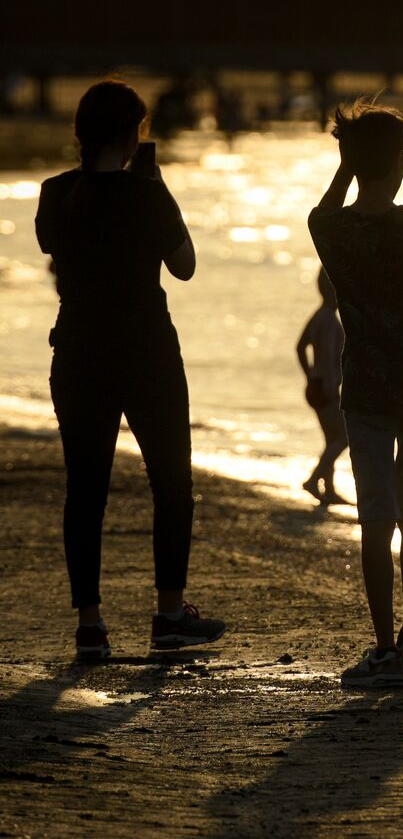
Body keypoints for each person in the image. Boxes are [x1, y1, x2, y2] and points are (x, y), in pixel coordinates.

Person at [35, 79, 226, 659]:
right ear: (136, 133)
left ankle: (90, 626)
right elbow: (186, 266)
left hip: (79, 350)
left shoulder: (55, 193)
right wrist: (159, 186)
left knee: (85, 489)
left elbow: (54, 245)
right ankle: (169, 614)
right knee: (171, 485)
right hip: (146, 351)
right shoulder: (147, 195)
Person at [308, 100, 403, 688]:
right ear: (400, 163)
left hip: (366, 389)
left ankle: (380, 647)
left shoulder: (331, 229)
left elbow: (327, 205)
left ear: (351, 161)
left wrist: (347, 163)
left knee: (376, 519)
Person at [296, 268, 349, 506]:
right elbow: (328, 356)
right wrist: (329, 385)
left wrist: (309, 375)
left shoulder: (319, 315)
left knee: (332, 439)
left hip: (316, 384)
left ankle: (328, 489)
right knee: (342, 439)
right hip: (325, 387)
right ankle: (313, 480)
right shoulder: (328, 319)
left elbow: (300, 346)